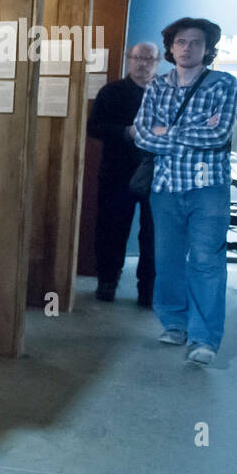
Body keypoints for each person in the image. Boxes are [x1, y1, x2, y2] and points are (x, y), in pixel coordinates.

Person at [132, 17, 237, 366]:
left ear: (207, 49)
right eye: (180, 41)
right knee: (168, 260)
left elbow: (218, 135)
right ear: (171, 47)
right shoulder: (157, 86)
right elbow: (143, 135)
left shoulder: (223, 83)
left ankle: (203, 337)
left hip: (208, 188)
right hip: (165, 188)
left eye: (195, 42)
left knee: (207, 262)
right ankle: (174, 323)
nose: (187, 47)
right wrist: (186, 129)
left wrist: (167, 132)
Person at [88, 42, 158, 304]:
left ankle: (148, 290)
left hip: (155, 173)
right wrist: (125, 132)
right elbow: (93, 128)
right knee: (111, 229)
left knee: (152, 234)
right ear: (129, 59)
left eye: (149, 59)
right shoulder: (111, 91)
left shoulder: (166, 92)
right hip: (116, 172)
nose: (143, 63)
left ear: (158, 62)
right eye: (138, 57)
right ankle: (107, 281)